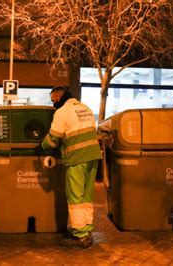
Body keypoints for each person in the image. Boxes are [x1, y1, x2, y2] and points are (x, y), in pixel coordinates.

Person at [36, 86, 102, 248]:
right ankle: (86, 229)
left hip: (77, 157)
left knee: (75, 197)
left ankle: (79, 235)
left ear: (59, 97)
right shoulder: (85, 108)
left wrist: (41, 147)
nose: (53, 104)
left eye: (53, 100)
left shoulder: (63, 112)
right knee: (87, 196)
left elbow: (53, 138)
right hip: (93, 156)